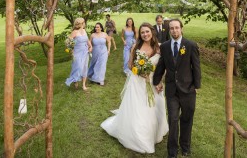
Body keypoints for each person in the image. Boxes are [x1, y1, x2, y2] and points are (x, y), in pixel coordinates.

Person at [101, 22, 168, 154]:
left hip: (154, 82)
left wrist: (160, 81)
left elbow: (163, 67)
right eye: (142, 32)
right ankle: (140, 138)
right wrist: (140, 72)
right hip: (138, 83)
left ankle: (154, 131)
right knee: (139, 109)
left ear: (152, 32)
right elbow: (130, 65)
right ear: (140, 34)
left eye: (147, 31)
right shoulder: (136, 47)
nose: (145, 34)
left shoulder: (159, 47)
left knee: (155, 107)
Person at [153, 18, 201, 158]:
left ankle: (185, 146)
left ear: (181, 29)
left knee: (186, 119)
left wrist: (196, 86)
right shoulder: (165, 46)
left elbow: (196, 67)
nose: (174, 30)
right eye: (172, 28)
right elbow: (161, 65)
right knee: (173, 120)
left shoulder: (191, 45)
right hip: (172, 90)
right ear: (169, 30)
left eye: (176, 28)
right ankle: (172, 151)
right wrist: (157, 80)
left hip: (188, 90)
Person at [65, 18, 92, 91]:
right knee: (78, 67)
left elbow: (87, 40)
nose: (84, 24)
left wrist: (90, 46)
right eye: (83, 22)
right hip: (77, 52)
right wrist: (71, 50)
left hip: (85, 52)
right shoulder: (75, 32)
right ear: (81, 24)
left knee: (85, 67)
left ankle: (83, 85)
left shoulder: (84, 30)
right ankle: (75, 80)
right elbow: (68, 42)